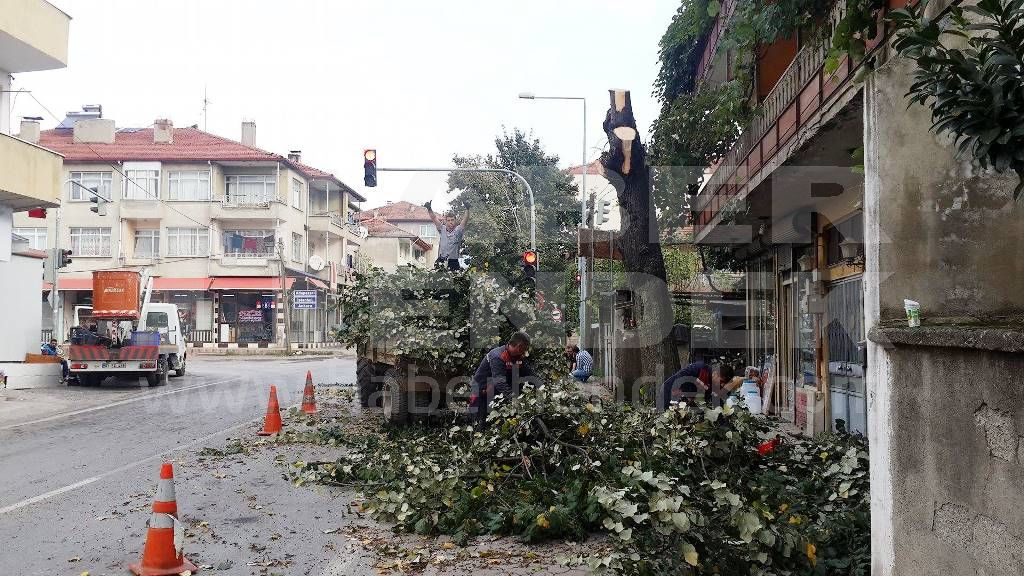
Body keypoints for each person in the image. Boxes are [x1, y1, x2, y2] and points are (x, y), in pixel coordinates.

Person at [469, 332, 534, 426]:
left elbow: (529, 373)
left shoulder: (517, 357)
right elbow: (499, 382)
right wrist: (514, 399)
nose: (525, 351)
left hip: (497, 394)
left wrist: (543, 386)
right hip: (481, 394)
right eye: (525, 348)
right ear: (520, 346)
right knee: (480, 426)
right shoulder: (498, 356)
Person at [659, 361, 736, 410]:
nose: (722, 385)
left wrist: (722, 411)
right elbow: (680, 379)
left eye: (724, 383)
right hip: (668, 391)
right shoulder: (700, 368)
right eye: (721, 381)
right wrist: (690, 396)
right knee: (667, 416)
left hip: (684, 400)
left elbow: (716, 398)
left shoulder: (715, 384)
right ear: (715, 374)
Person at [425, 200, 468, 270]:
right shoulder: (442, 229)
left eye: (452, 220)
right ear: (446, 221)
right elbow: (434, 218)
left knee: (455, 279)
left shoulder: (458, 230)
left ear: (455, 220)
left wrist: (467, 209)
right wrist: (429, 209)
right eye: (448, 220)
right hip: (441, 260)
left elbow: (465, 221)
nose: (450, 222)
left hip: (453, 261)